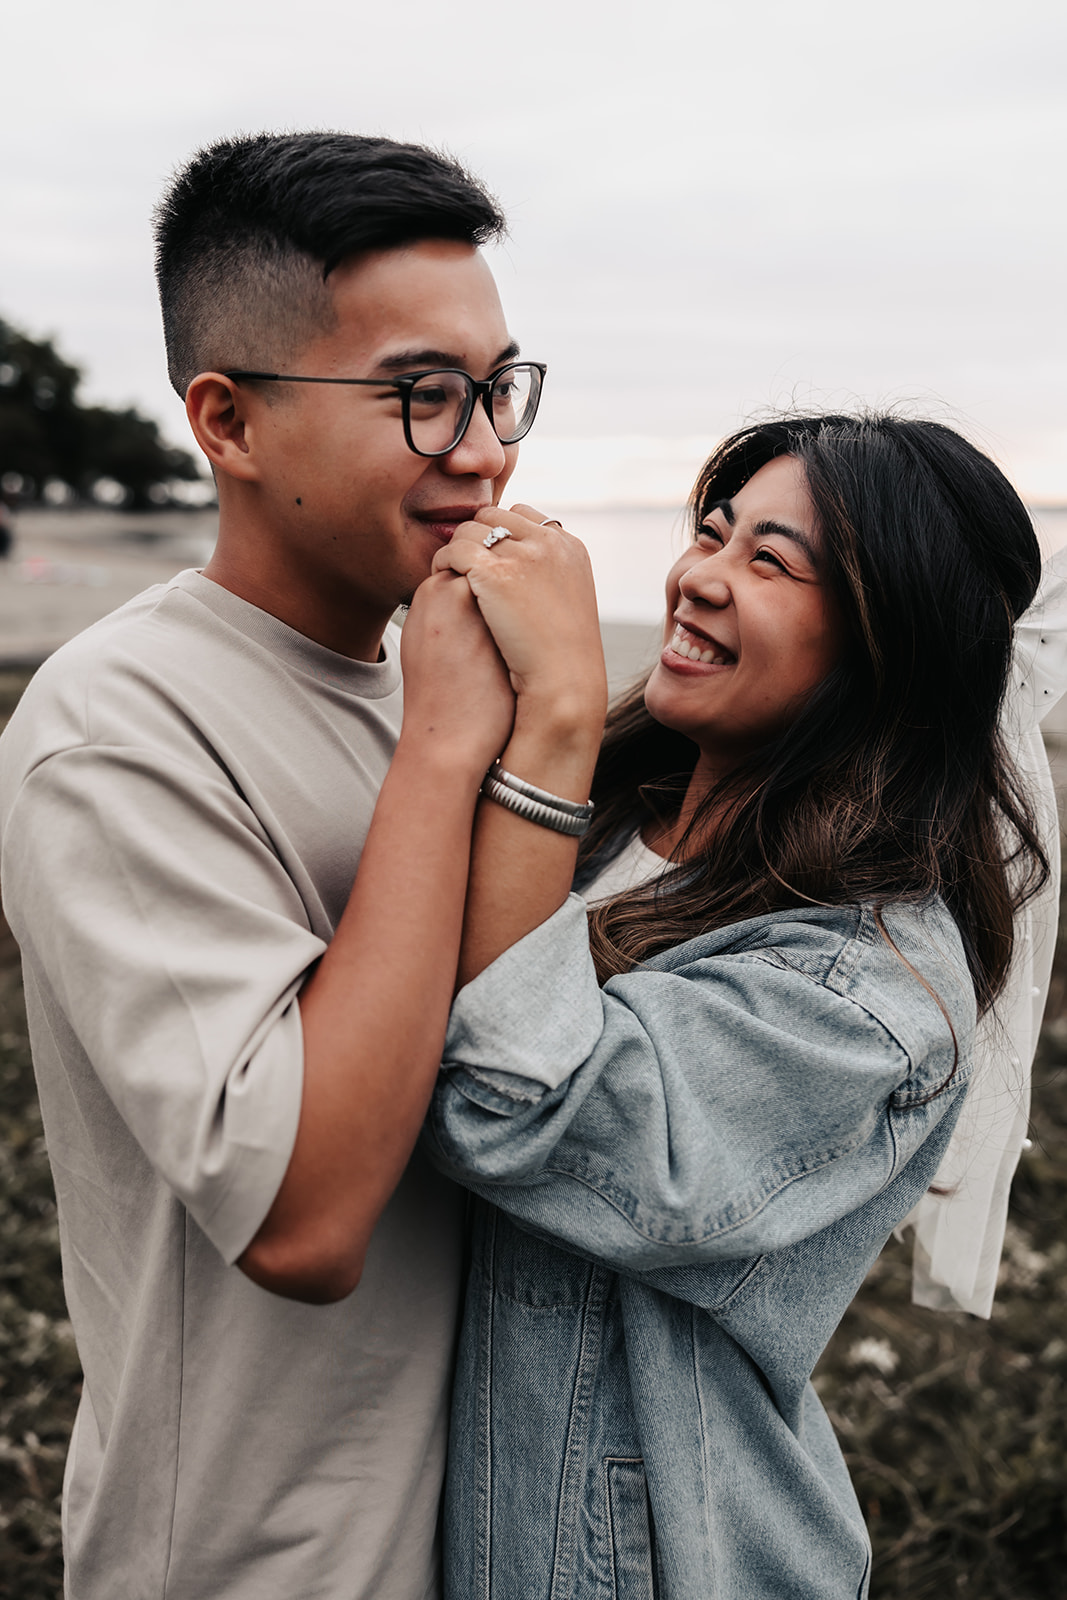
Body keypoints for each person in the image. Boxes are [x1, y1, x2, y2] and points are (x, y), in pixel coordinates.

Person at [0, 131, 541, 1599]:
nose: (485, 446)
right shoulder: (117, 725)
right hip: (259, 1560)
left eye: (498, 389)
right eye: (423, 396)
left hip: (501, 1535)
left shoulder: (453, 675)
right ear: (228, 423)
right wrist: (444, 756)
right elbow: (301, 1216)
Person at [413, 414, 1050, 1598]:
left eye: (769, 561)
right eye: (710, 533)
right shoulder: (608, 809)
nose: (696, 577)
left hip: (637, 1558)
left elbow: (515, 1109)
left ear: (884, 643)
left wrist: (551, 717)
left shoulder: (866, 986)